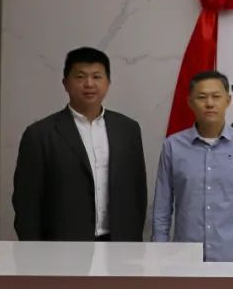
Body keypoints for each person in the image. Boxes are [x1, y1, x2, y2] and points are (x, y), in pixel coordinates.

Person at [12, 47, 147, 241]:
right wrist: (33, 250)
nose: (89, 84)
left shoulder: (128, 130)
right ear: (65, 84)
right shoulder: (40, 135)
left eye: (97, 76)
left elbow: (138, 194)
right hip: (62, 247)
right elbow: (26, 204)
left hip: (119, 245)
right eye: (80, 77)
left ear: (108, 83)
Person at [151, 70, 233, 262]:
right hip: (185, 258)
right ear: (190, 102)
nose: (209, 103)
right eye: (202, 97)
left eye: (216, 96)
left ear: (228, 100)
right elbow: (162, 206)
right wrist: (159, 251)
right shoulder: (173, 146)